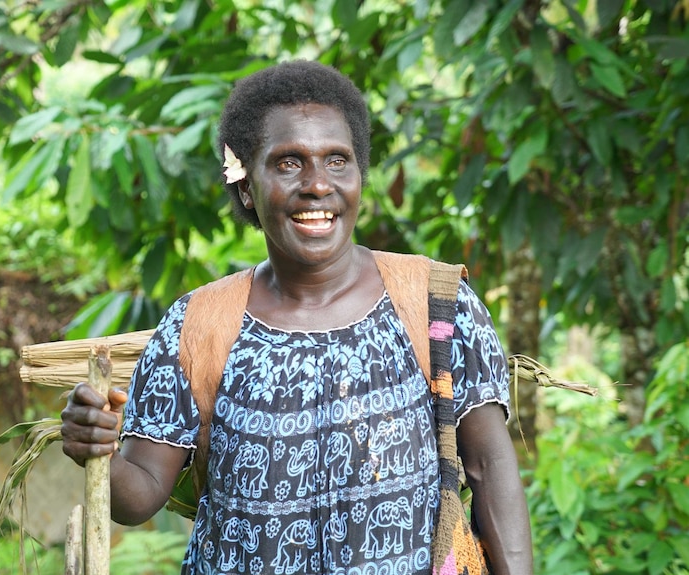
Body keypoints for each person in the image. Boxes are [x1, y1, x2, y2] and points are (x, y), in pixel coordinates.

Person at [61, 60, 533, 575]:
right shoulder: (197, 324)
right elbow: (141, 493)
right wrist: (98, 451)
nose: (316, 185)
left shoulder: (436, 302)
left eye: (337, 161)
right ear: (246, 186)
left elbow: (489, 466)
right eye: (288, 163)